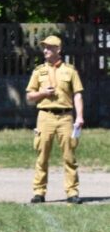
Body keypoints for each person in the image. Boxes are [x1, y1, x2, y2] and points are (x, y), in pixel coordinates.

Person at [26, 34, 84, 204]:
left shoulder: (70, 71)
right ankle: (39, 192)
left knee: (69, 156)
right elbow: (29, 96)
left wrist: (79, 116)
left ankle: (72, 192)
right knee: (42, 156)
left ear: (58, 49)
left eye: (50, 47)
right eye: (44, 47)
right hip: (45, 117)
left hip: (66, 117)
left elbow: (78, 95)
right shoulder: (39, 71)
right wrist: (43, 93)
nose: (45, 50)